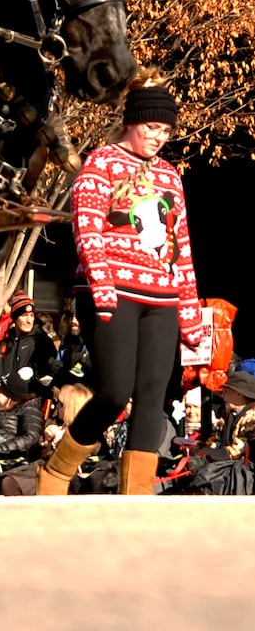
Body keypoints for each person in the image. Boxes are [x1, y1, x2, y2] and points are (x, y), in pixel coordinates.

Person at [39, 77, 202, 495]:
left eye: (165, 131)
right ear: (132, 122)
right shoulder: (100, 164)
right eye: (151, 127)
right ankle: (57, 471)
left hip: (161, 297)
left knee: (152, 395)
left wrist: (190, 314)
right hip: (111, 295)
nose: (157, 137)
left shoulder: (171, 176)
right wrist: (102, 287)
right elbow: (87, 229)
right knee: (114, 391)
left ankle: (137, 491)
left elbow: (180, 247)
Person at [0, 291, 57, 401]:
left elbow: (48, 376)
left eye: (31, 316)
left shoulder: (41, 342)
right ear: (15, 318)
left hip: (29, 403)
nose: (29, 320)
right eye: (24, 315)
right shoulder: (2, 345)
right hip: (1, 404)